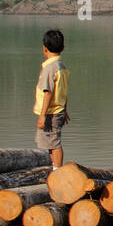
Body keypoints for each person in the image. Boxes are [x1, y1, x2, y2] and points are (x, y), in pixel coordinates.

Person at [34, 29, 71, 168]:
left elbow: (48, 93)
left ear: (44, 48)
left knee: (54, 143)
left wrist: (42, 116)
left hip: (51, 112)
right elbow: (63, 91)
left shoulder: (49, 69)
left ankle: (57, 171)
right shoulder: (62, 66)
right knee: (50, 143)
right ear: (63, 48)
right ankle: (54, 168)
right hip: (58, 110)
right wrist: (65, 109)